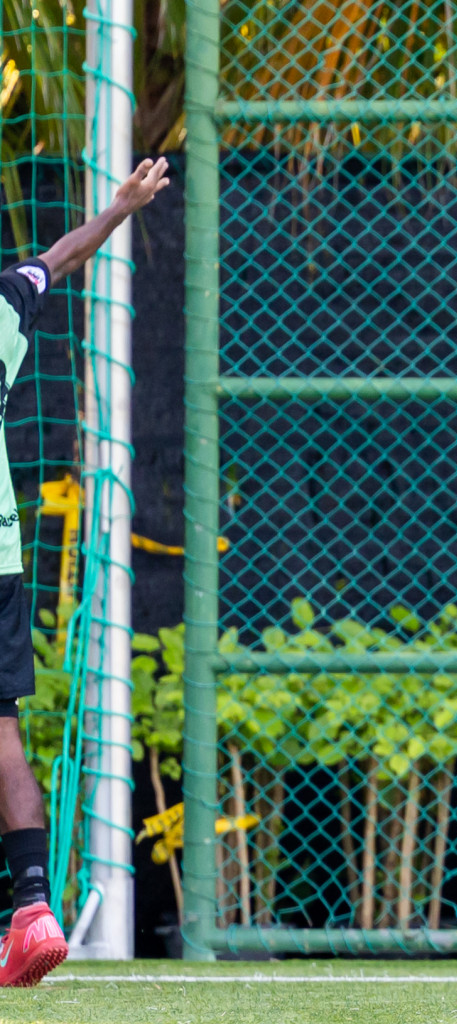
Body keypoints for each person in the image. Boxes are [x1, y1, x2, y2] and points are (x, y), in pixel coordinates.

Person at [0, 157, 170, 986]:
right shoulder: (4, 307)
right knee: (1, 734)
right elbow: (62, 255)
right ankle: (33, 906)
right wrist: (122, 207)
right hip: (0, 557)